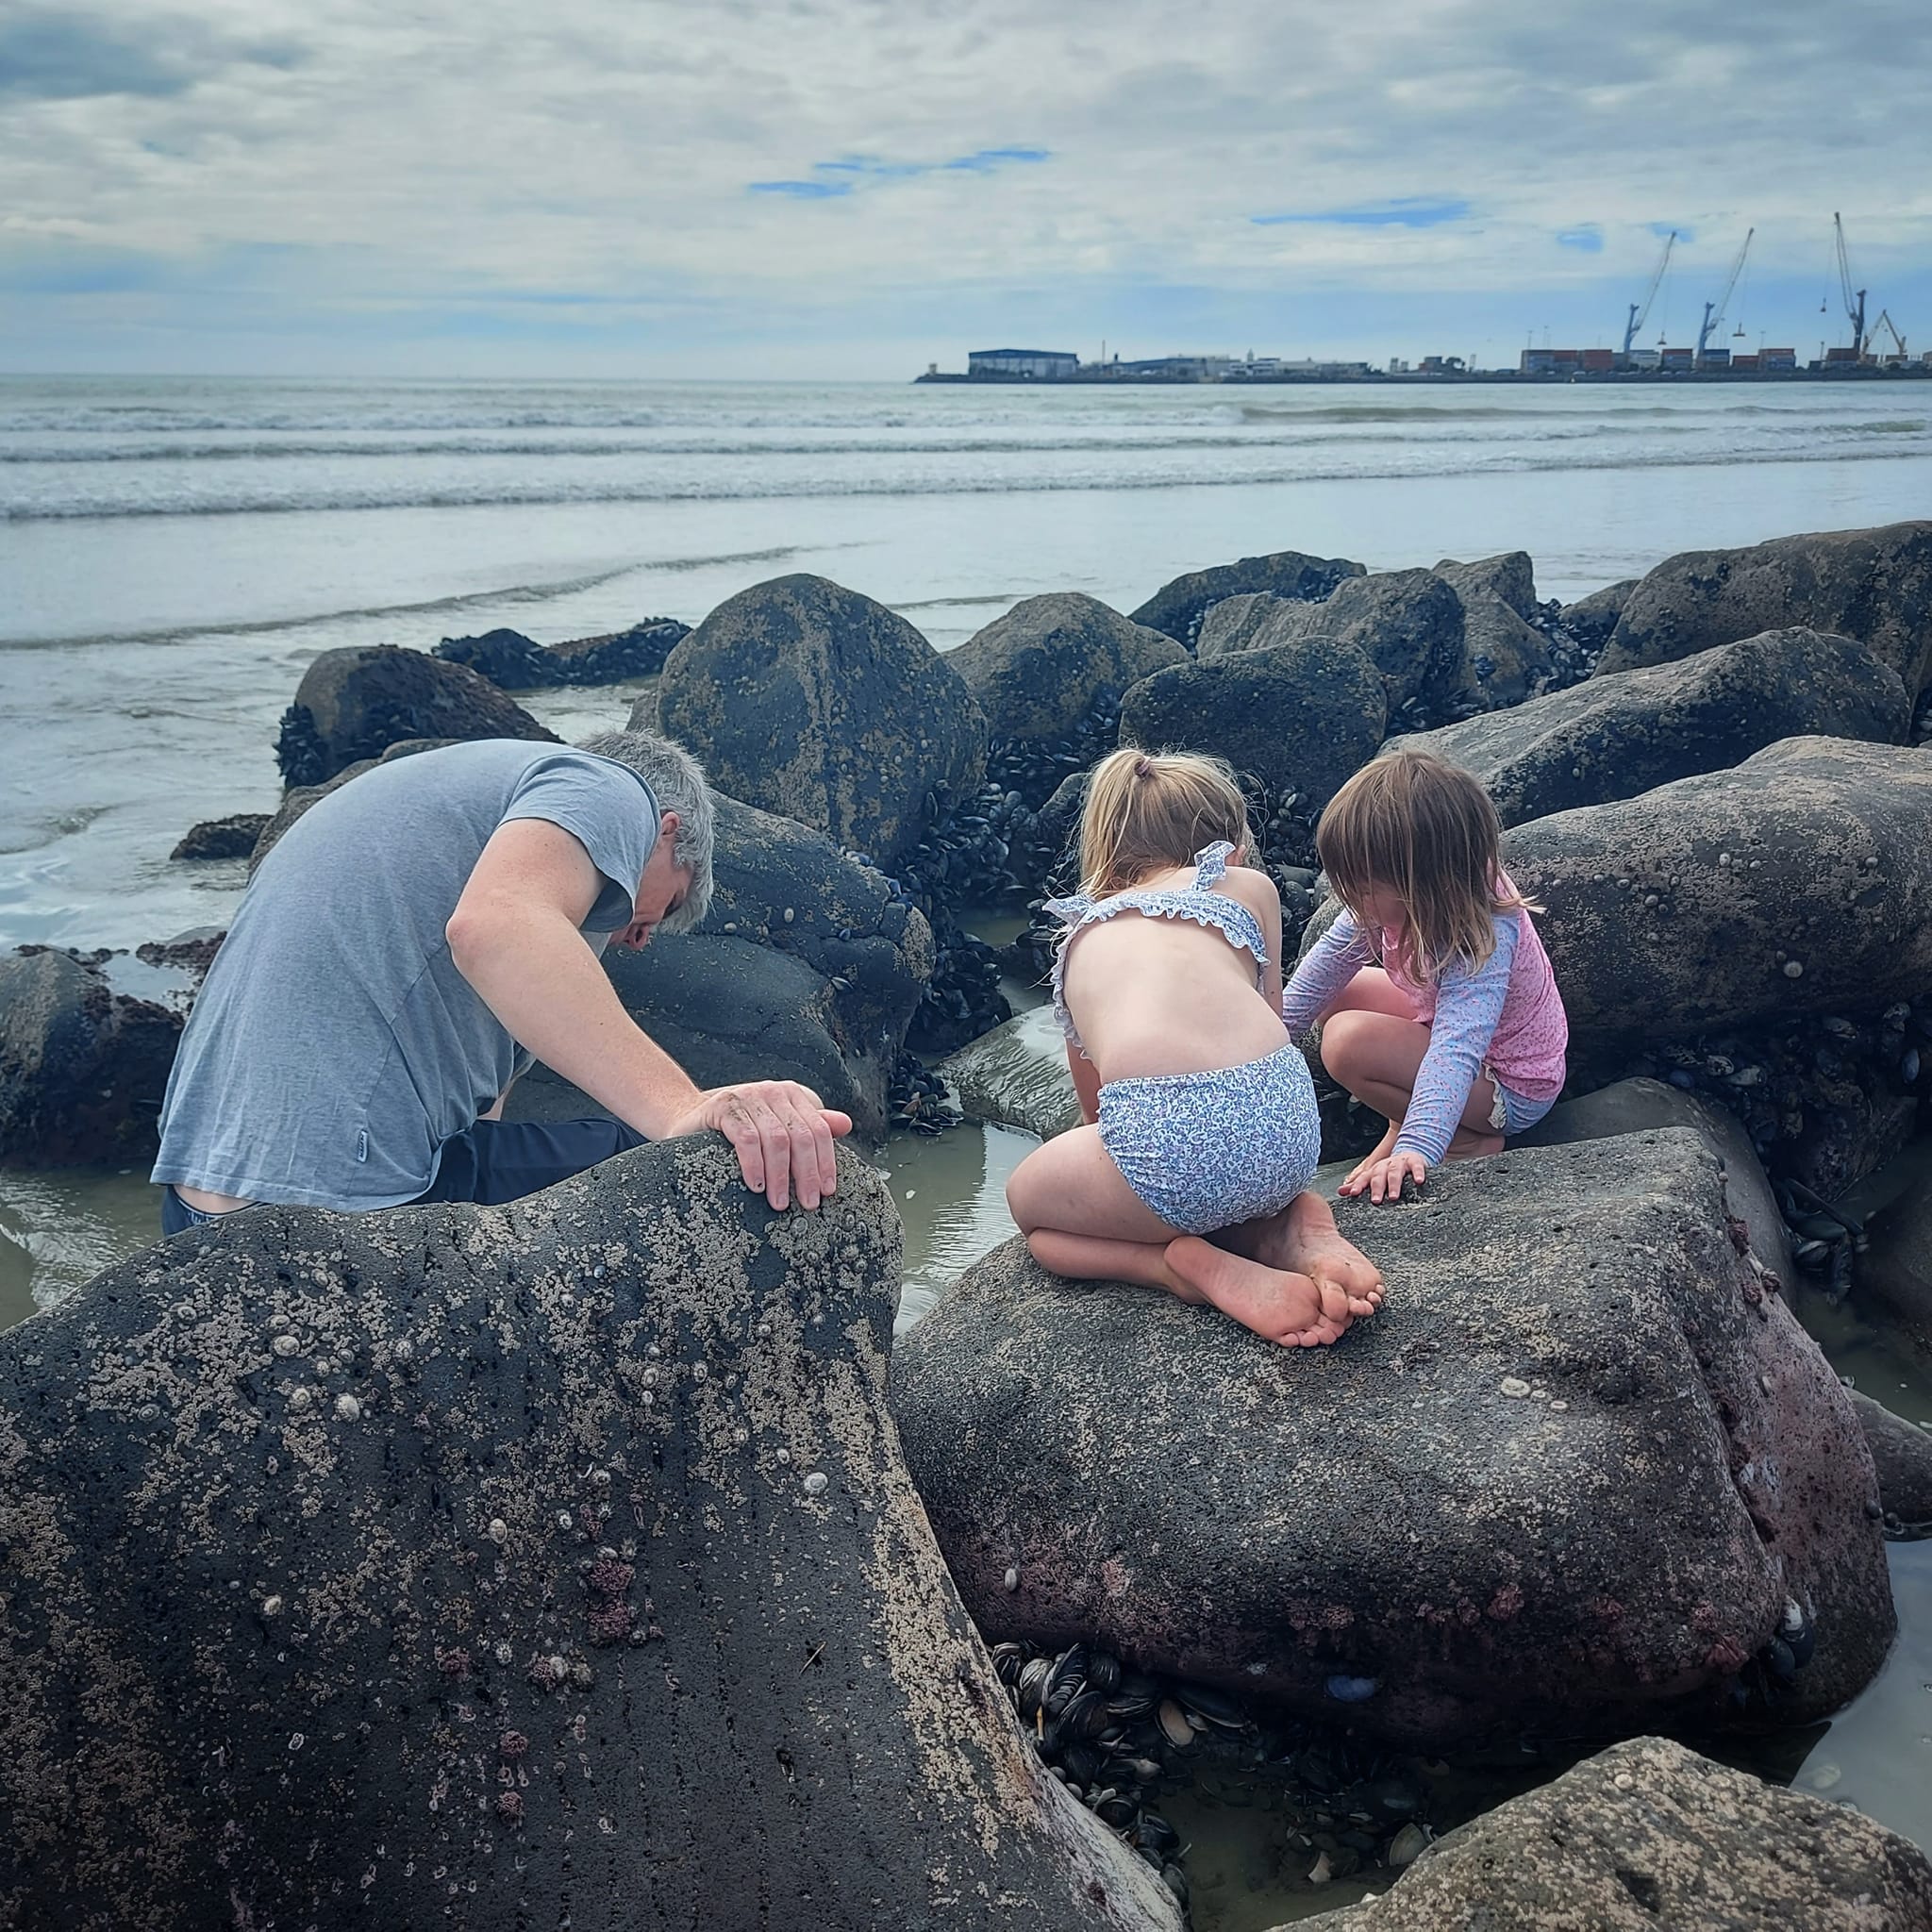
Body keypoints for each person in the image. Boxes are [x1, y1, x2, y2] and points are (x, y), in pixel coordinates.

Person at [151, 729, 849, 1234]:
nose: (639, 939)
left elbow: (481, 1090)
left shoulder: (440, 808)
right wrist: (679, 1110)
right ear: (666, 832)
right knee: (689, 1169)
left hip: (197, 1205)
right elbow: (494, 929)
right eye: (663, 909)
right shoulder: (604, 788)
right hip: (327, 1209)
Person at [1005, 749, 1384, 1349]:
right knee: (1219, 1180)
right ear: (1228, 848)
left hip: (1174, 1157)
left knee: (1034, 1221)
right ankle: (1277, 1227)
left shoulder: (1078, 941)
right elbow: (1275, 1017)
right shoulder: (1249, 889)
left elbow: (1097, 1112)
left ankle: (1176, 1268)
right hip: (1287, 1135)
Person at [1281, 748, 1568, 1206]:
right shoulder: (1415, 894)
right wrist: (1266, 1040)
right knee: (1338, 997)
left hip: (1507, 1083)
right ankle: (1408, 1114)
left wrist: (1420, 1145)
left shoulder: (1480, 935)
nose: (1347, 897)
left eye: (1363, 886)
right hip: (1448, 1032)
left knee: (1346, 1042)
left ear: (1424, 885)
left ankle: (1462, 1140)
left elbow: (1458, 1045)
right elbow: (1328, 962)